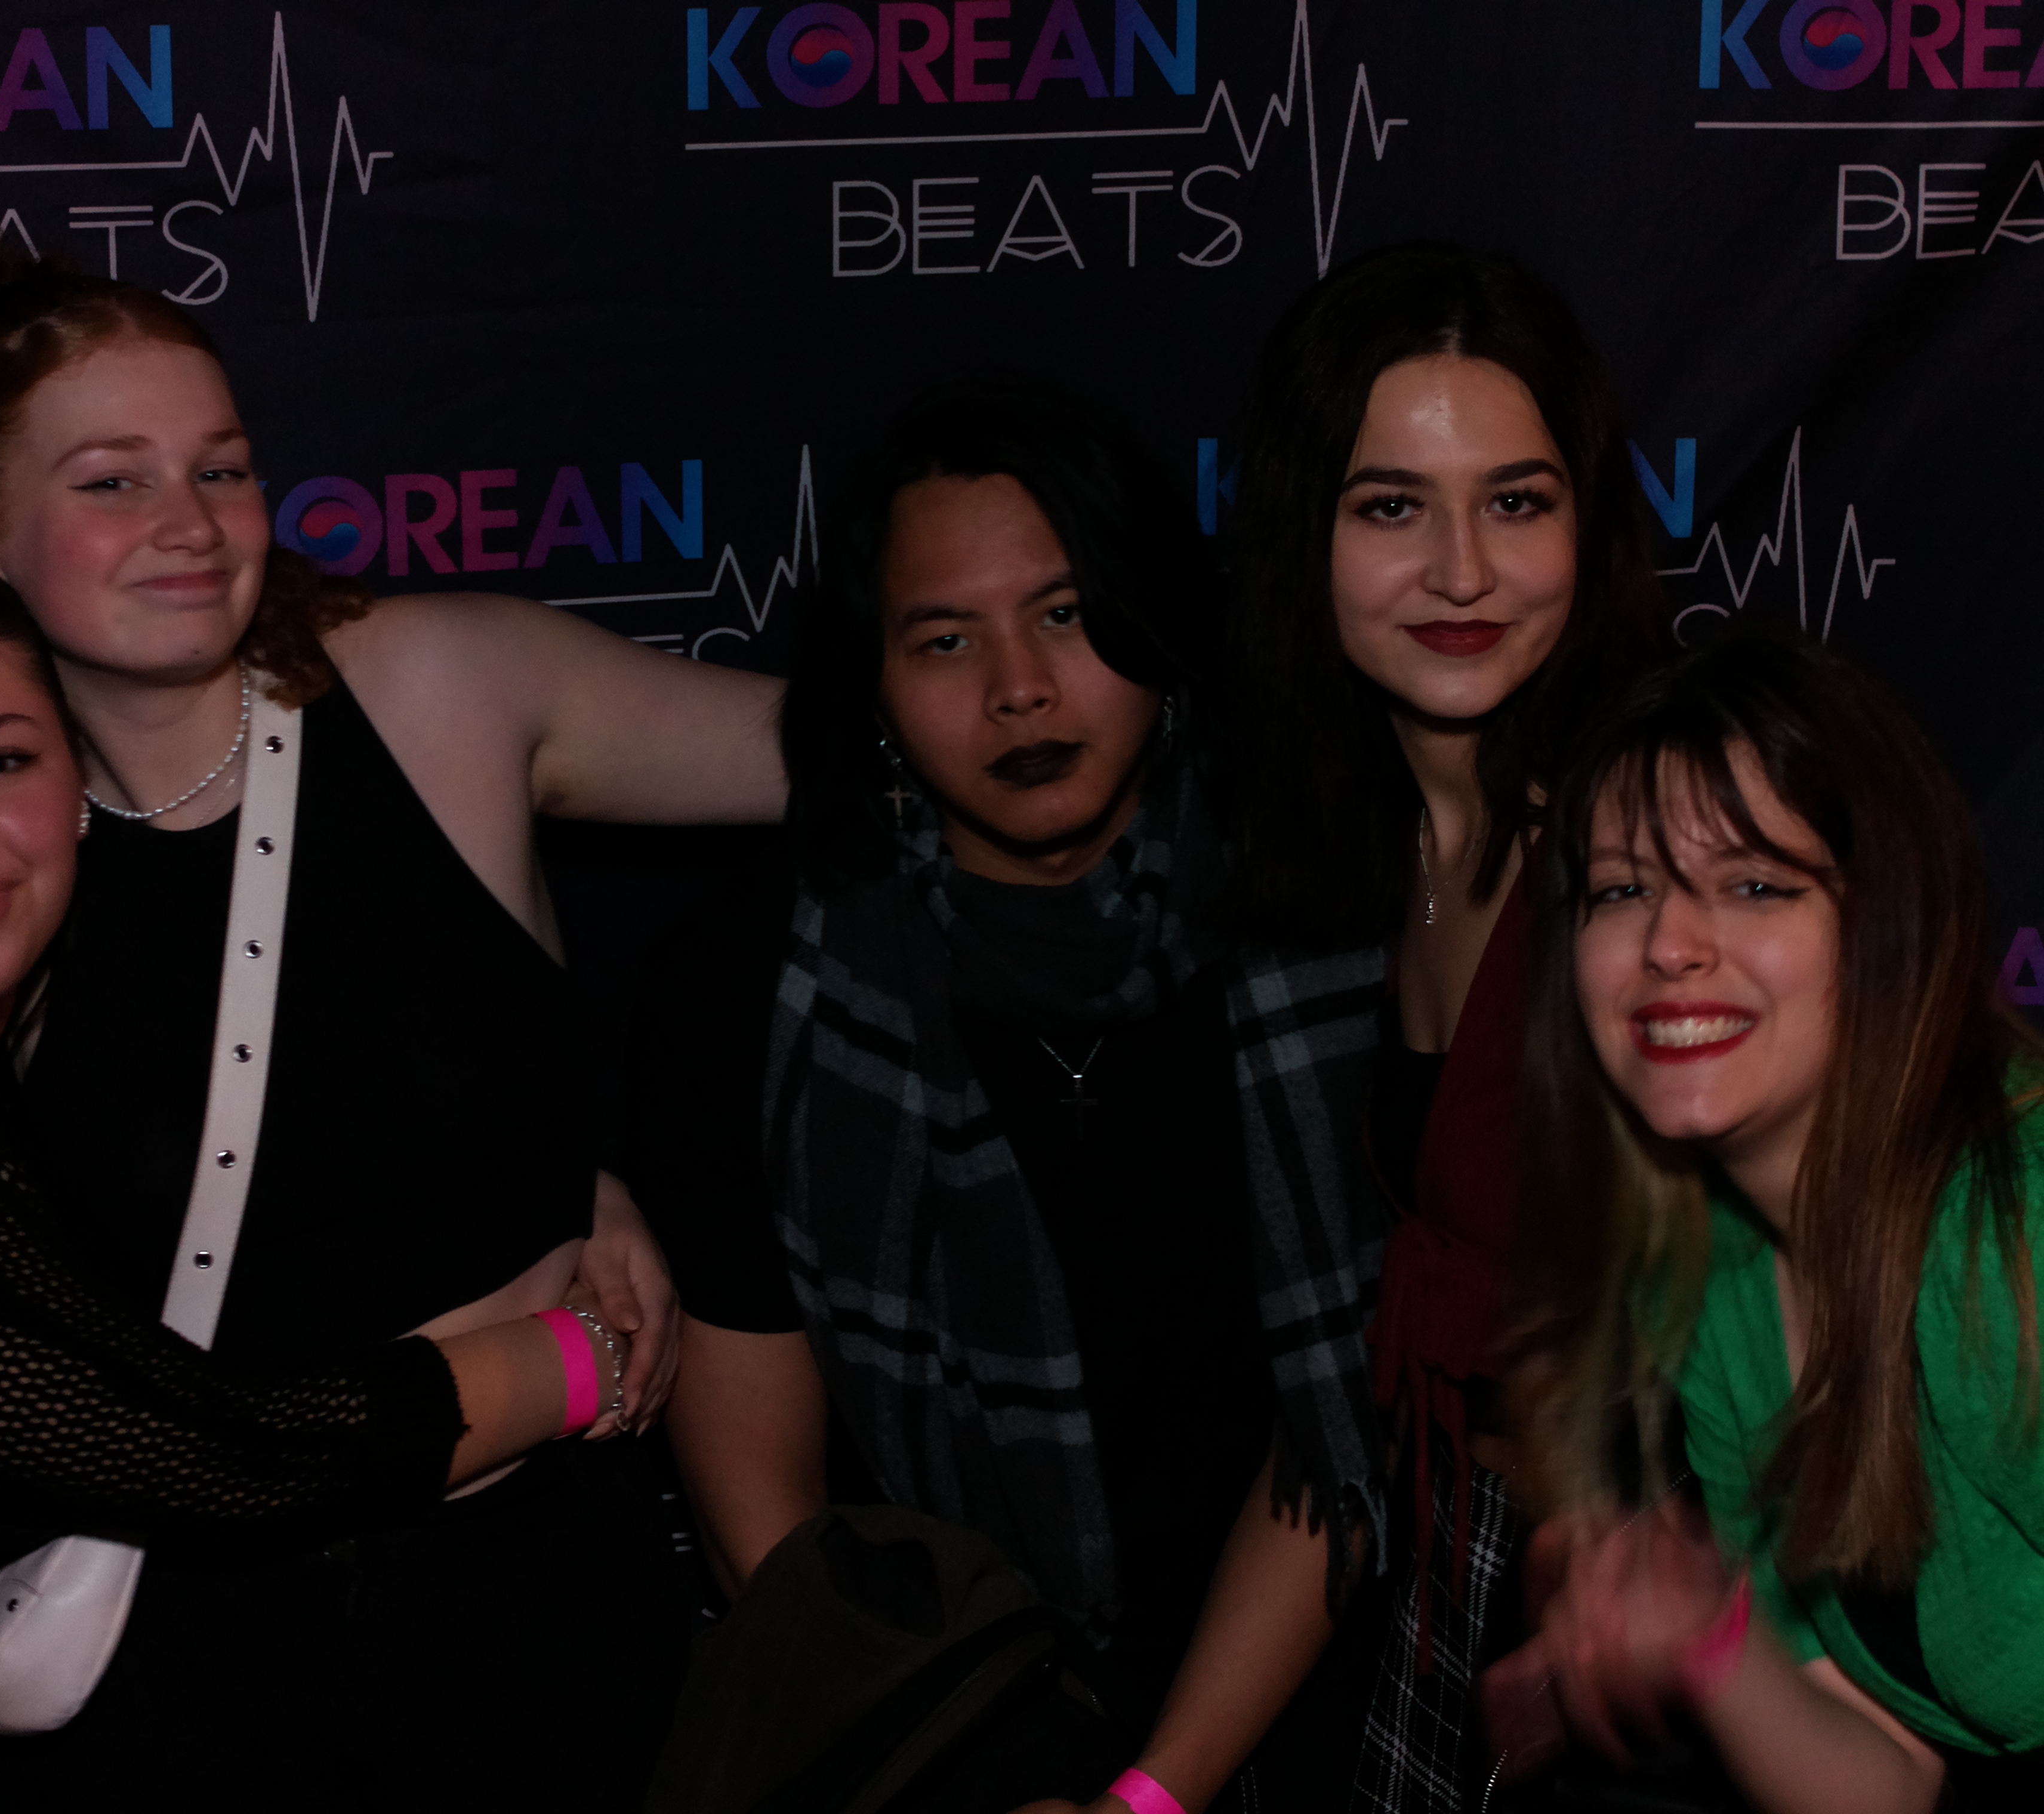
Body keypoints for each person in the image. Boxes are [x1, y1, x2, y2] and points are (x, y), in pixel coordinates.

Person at [0, 255, 785, 1804]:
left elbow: (857, 758)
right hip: (206, 1641)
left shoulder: (413, 695)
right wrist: (571, 1360)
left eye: (222, 468)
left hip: (540, 1608)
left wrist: (584, 1169)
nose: (187, 519)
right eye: (114, 479)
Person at [627, 380, 1394, 1813]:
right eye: (944, 639)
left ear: (1159, 624)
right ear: (870, 689)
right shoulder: (750, 989)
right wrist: (976, 1767)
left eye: (1065, 613)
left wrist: (1150, 1796)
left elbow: (1346, 1434)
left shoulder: (1332, 927)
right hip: (936, 1718)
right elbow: (766, 1516)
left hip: (1315, 1701)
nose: (1019, 687)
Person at [1223, 243, 1667, 1810]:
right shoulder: (1327, 871)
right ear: (1305, 532)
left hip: (1670, 1652)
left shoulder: (1661, 851)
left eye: (1519, 501)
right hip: (1442, 1614)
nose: (1464, 571)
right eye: (1393, 507)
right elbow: (1342, 1427)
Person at [1497, 629, 2043, 1813]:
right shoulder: (1713, 1274)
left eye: (1754, 884)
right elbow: (1884, 1772)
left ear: (1886, 921)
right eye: (1621, 889)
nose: (1667, 945)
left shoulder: (2009, 1228)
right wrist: (1712, 1636)